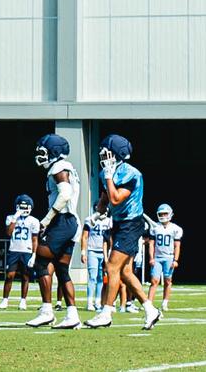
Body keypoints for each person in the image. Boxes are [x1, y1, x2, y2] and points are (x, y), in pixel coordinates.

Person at [85, 133, 158, 329]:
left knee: (111, 267)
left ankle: (106, 312)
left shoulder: (131, 173)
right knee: (125, 272)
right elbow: (105, 200)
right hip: (118, 223)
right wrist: (97, 213)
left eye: (107, 153)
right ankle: (150, 309)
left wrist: (108, 177)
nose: (103, 156)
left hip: (131, 224)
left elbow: (116, 198)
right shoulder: (105, 173)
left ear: (118, 154)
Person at [28, 133, 81, 328]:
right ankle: (72, 314)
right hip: (71, 222)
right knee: (61, 269)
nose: (40, 155)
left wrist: (47, 220)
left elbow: (65, 194)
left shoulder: (59, 167)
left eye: (43, 152)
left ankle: (47, 311)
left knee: (41, 263)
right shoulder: (67, 168)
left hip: (62, 221)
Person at [0, 194, 39, 310]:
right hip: (14, 250)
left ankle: (23, 301)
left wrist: (34, 254)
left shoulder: (34, 221)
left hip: (26, 251)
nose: (23, 209)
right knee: (9, 275)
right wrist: (15, 218)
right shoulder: (10, 217)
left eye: (25, 207)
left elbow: (35, 239)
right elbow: (9, 233)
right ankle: (5, 300)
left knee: (25, 276)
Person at [146, 204, 182, 311]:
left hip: (169, 257)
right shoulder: (155, 227)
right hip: (157, 257)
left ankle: (165, 302)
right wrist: (151, 258)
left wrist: (175, 260)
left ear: (170, 214)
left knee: (167, 281)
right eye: (161, 214)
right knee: (154, 281)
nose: (163, 216)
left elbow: (177, 246)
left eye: (165, 213)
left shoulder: (176, 228)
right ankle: (149, 303)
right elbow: (151, 244)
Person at [81, 205, 111, 311]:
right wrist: (83, 252)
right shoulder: (90, 220)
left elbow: (111, 238)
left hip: (104, 253)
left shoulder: (109, 221)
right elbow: (84, 236)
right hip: (92, 250)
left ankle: (98, 302)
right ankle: (90, 302)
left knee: (101, 278)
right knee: (92, 277)